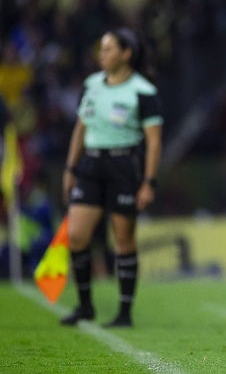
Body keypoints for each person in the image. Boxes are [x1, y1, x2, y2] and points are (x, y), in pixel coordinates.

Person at [61, 27, 163, 327]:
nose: (101, 55)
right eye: (101, 49)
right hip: (91, 166)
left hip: (123, 167)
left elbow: (154, 141)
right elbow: (81, 128)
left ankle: (124, 312)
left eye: (107, 49)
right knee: (77, 236)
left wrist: (149, 181)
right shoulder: (91, 84)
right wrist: (70, 168)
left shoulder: (143, 91)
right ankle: (85, 305)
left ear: (126, 54)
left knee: (123, 240)